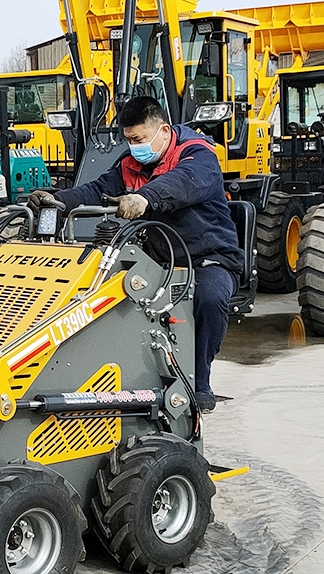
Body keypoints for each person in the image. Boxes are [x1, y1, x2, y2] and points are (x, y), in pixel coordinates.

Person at [29, 96, 243, 413]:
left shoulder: (198, 155)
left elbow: (183, 184)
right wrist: (59, 201)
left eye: (139, 139)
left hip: (210, 258)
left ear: (164, 131)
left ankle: (199, 383)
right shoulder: (131, 163)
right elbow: (97, 188)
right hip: (160, 257)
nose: (133, 146)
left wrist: (144, 198)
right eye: (128, 140)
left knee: (209, 300)